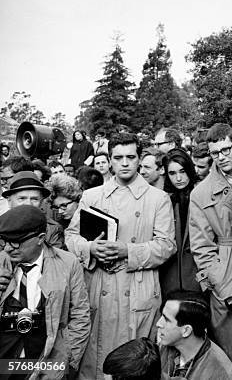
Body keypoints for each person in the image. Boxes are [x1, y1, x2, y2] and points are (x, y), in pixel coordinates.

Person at [65, 132, 176, 379]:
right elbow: (71, 237)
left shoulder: (157, 199)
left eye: (131, 157)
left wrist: (128, 251)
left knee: (133, 362)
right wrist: (91, 249)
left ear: (139, 159)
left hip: (137, 287)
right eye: (118, 157)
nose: (124, 163)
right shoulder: (92, 196)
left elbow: (167, 245)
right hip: (98, 286)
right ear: (109, 160)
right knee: (95, 360)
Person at [189, 123, 232, 367]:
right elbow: (201, 247)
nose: (221, 157)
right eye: (215, 153)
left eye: (226, 150)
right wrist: (217, 280)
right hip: (227, 273)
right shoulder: (201, 193)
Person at [0, 205, 90, 380]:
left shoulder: (68, 263)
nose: (8, 249)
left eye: (16, 241)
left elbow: (80, 315)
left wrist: (66, 362)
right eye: (4, 240)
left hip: (47, 357)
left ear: (41, 238)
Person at [157, 290, 232, 380]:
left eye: (167, 319)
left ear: (186, 331)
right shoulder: (165, 345)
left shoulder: (222, 373)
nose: (158, 324)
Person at [159, 148, 199, 298]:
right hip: (171, 279)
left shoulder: (201, 195)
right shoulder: (164, 200)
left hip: (198, 276)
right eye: (172, 173)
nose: (179, 178)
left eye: (182, 171)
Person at [2, 171, 65, 249]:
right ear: (9, 200)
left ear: (41, 202)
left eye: (34, 199)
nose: (28, 203)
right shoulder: (2, 226)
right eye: (22, 198)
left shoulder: (53, 229)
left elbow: (54, 258)